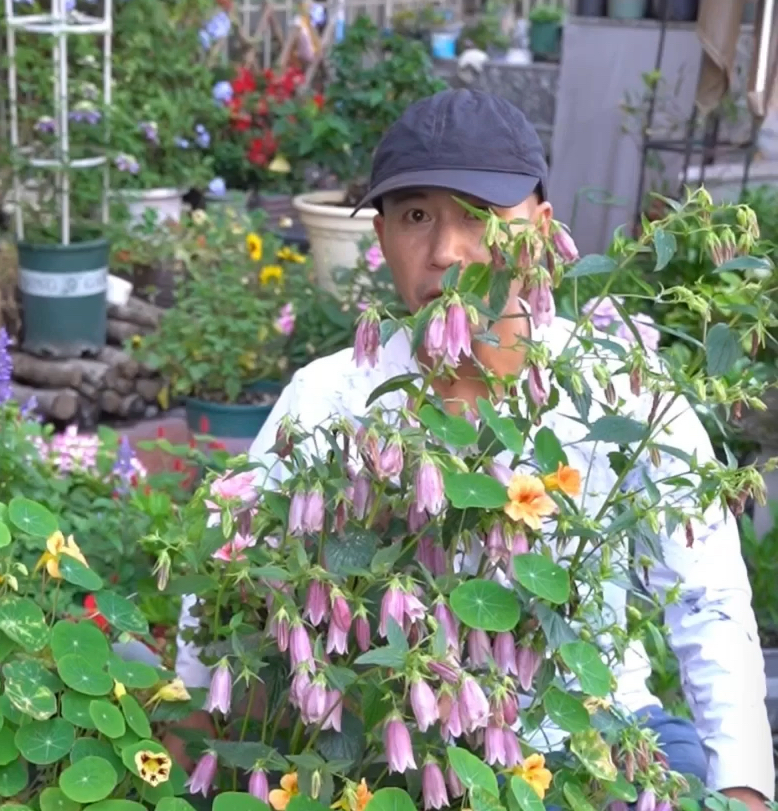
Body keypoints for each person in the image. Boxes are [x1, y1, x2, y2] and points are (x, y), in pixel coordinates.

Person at [168, 89, 774, 808]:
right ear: (382, 237)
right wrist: (190, 757)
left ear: (541, 233)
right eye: (416, 215)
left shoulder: (622, 391)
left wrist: (744, 785)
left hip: (596, 730)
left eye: (480, 216)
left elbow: (709, 598)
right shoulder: (326, 396)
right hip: (381, 743)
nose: (447, 251)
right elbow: (228, 575)